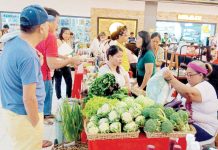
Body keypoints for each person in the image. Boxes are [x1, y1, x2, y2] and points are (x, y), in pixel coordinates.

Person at [0, 5, 51, 149]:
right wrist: (35, 123)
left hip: (11, 111)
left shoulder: (12, 43)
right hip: (24, 117)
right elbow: (29, 98)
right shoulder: (28, 56)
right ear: (41, 28)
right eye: (48, 25)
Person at [36, 8, 80, 121]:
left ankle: (46, 114)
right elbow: (52, 64)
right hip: (43, 73)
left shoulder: (38, 34)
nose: (57, 25)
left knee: (44, 96)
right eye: (56, 22)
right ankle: (44, 118)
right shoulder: (50, 36)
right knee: (45, 95)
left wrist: (63, 57)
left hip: (37, 72)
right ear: (48, 21)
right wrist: (70, 60)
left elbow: (47, 53)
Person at [163, 60, 218, 142]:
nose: (187, 77)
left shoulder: (206, 87)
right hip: (190, 124)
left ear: (200, 75)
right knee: (164, 131)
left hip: (204, 128)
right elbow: (180, 99)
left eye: (190, 74)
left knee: (172, 139)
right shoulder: (189, 85)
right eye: (186, 74)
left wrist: (171, 79)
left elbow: (189, 94)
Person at [54, 27, 73, 99]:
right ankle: (59, 98)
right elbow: (55, 53)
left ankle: (69, 97)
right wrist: (63, 57)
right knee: (58, 82)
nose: (67, 35)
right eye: (65, 33)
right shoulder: (58, 41)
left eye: (68, 34)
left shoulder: (68, 42)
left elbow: (69, 53)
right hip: (58, 64)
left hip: (66, 64)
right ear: (61, 33)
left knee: (69, 82)